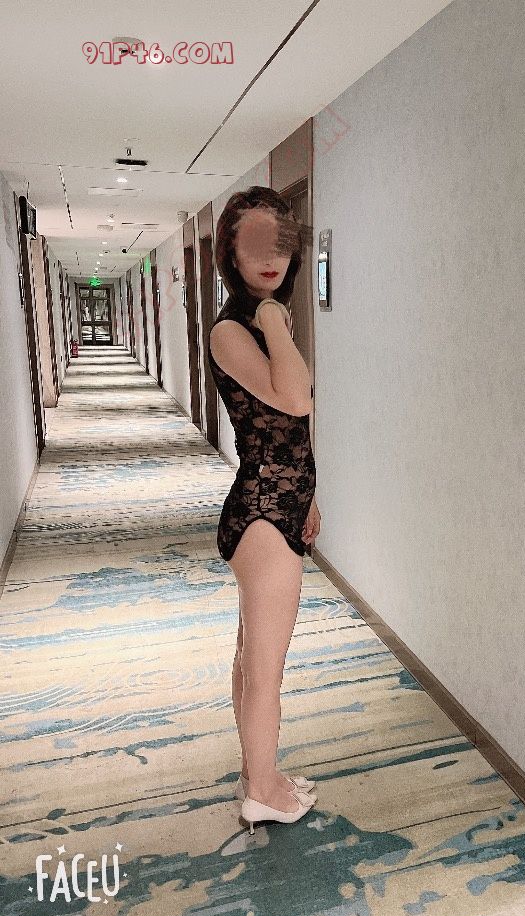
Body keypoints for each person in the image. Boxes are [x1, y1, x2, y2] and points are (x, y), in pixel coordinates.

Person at [208, 186, 321, 834]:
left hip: (278, 506)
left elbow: (287, 432)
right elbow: (297, 399)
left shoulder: (259, 324)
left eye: (281, 241)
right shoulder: (232, 330)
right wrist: (277, 320)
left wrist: (311, 497)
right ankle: (261, 789)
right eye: (254, 243)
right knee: (265, 672)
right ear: (232, 253)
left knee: (253, 658)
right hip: (261, 515)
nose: (270, 256)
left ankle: (260, 773)